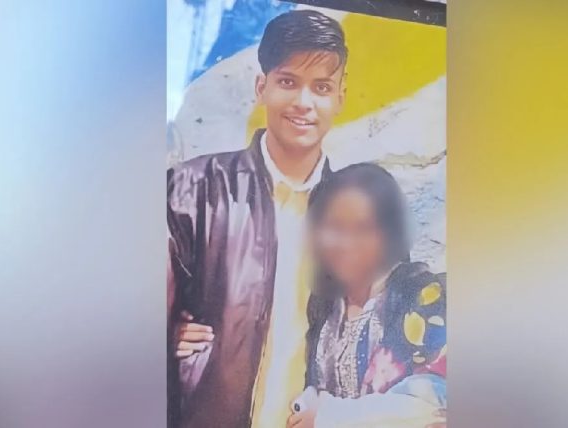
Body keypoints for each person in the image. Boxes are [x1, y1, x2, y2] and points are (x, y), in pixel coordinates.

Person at [167, 10, 347, 428]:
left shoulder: (359, 215)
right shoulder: (191, 189)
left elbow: (382, 344)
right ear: (261, 87)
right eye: (288, 82)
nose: (304, 103)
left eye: (321, 87)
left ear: (340, 97)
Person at [286, 164, 447, 428]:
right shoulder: (327, 308)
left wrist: (328, 418)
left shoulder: (422, 298)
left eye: (361, 227)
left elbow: (433, 405)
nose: (343, 242)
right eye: (332, 228)